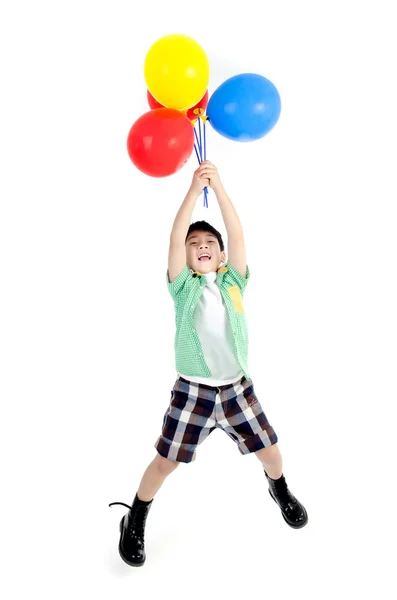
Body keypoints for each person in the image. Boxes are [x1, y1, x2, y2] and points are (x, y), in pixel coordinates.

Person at [109, 161, 308, 567]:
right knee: (166, 462)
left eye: (208, 242)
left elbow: (236, 232)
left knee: (271, 452)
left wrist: (216, 186)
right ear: (184, 255)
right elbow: (173, 236)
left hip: (237, 388)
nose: (201, 245)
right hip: (192, 392)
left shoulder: (233, 280)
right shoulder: (183, 287)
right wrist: (190, 189)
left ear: (219, 255)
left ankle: (279, 488)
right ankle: (135, 517)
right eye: (193, 242)